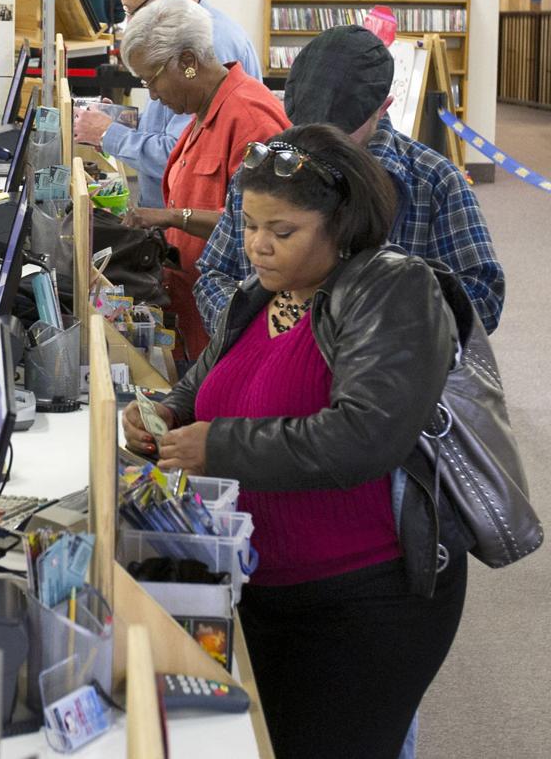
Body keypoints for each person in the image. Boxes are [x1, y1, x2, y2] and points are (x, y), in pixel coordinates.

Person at [122, 124, 467, 759]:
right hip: (265, 588)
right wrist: (164, 414)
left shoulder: (394, 291)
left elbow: (364, 436)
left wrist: (216, 446)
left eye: (282, 232)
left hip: (362, 602)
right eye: (250, 225)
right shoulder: (263, 295)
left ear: (342, 227)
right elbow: (201, 387)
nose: (256, 246)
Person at [195, 24, 504, 335]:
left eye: (340, 131)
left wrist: (372, 328)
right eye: (308, 125)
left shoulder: (433, 181)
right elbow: (213, 274)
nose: (319, 146)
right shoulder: (266, 166)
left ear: (382, 108)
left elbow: (483, 298)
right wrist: (258, 332)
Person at [118, 0, 288, 362]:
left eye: (153, 79)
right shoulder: (205, 109)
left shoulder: (250, 119)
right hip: (195, 314)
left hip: (233, 328)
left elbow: (262, 227)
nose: (153, 94)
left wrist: (168, 217)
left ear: (189, 63)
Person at [74, 0, 262, 207]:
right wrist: (120, 122)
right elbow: (169, 126)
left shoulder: (207, 44)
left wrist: (109, 134)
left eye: (131, 11)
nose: (129, 22)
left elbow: (180, 154)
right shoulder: (184, 35)